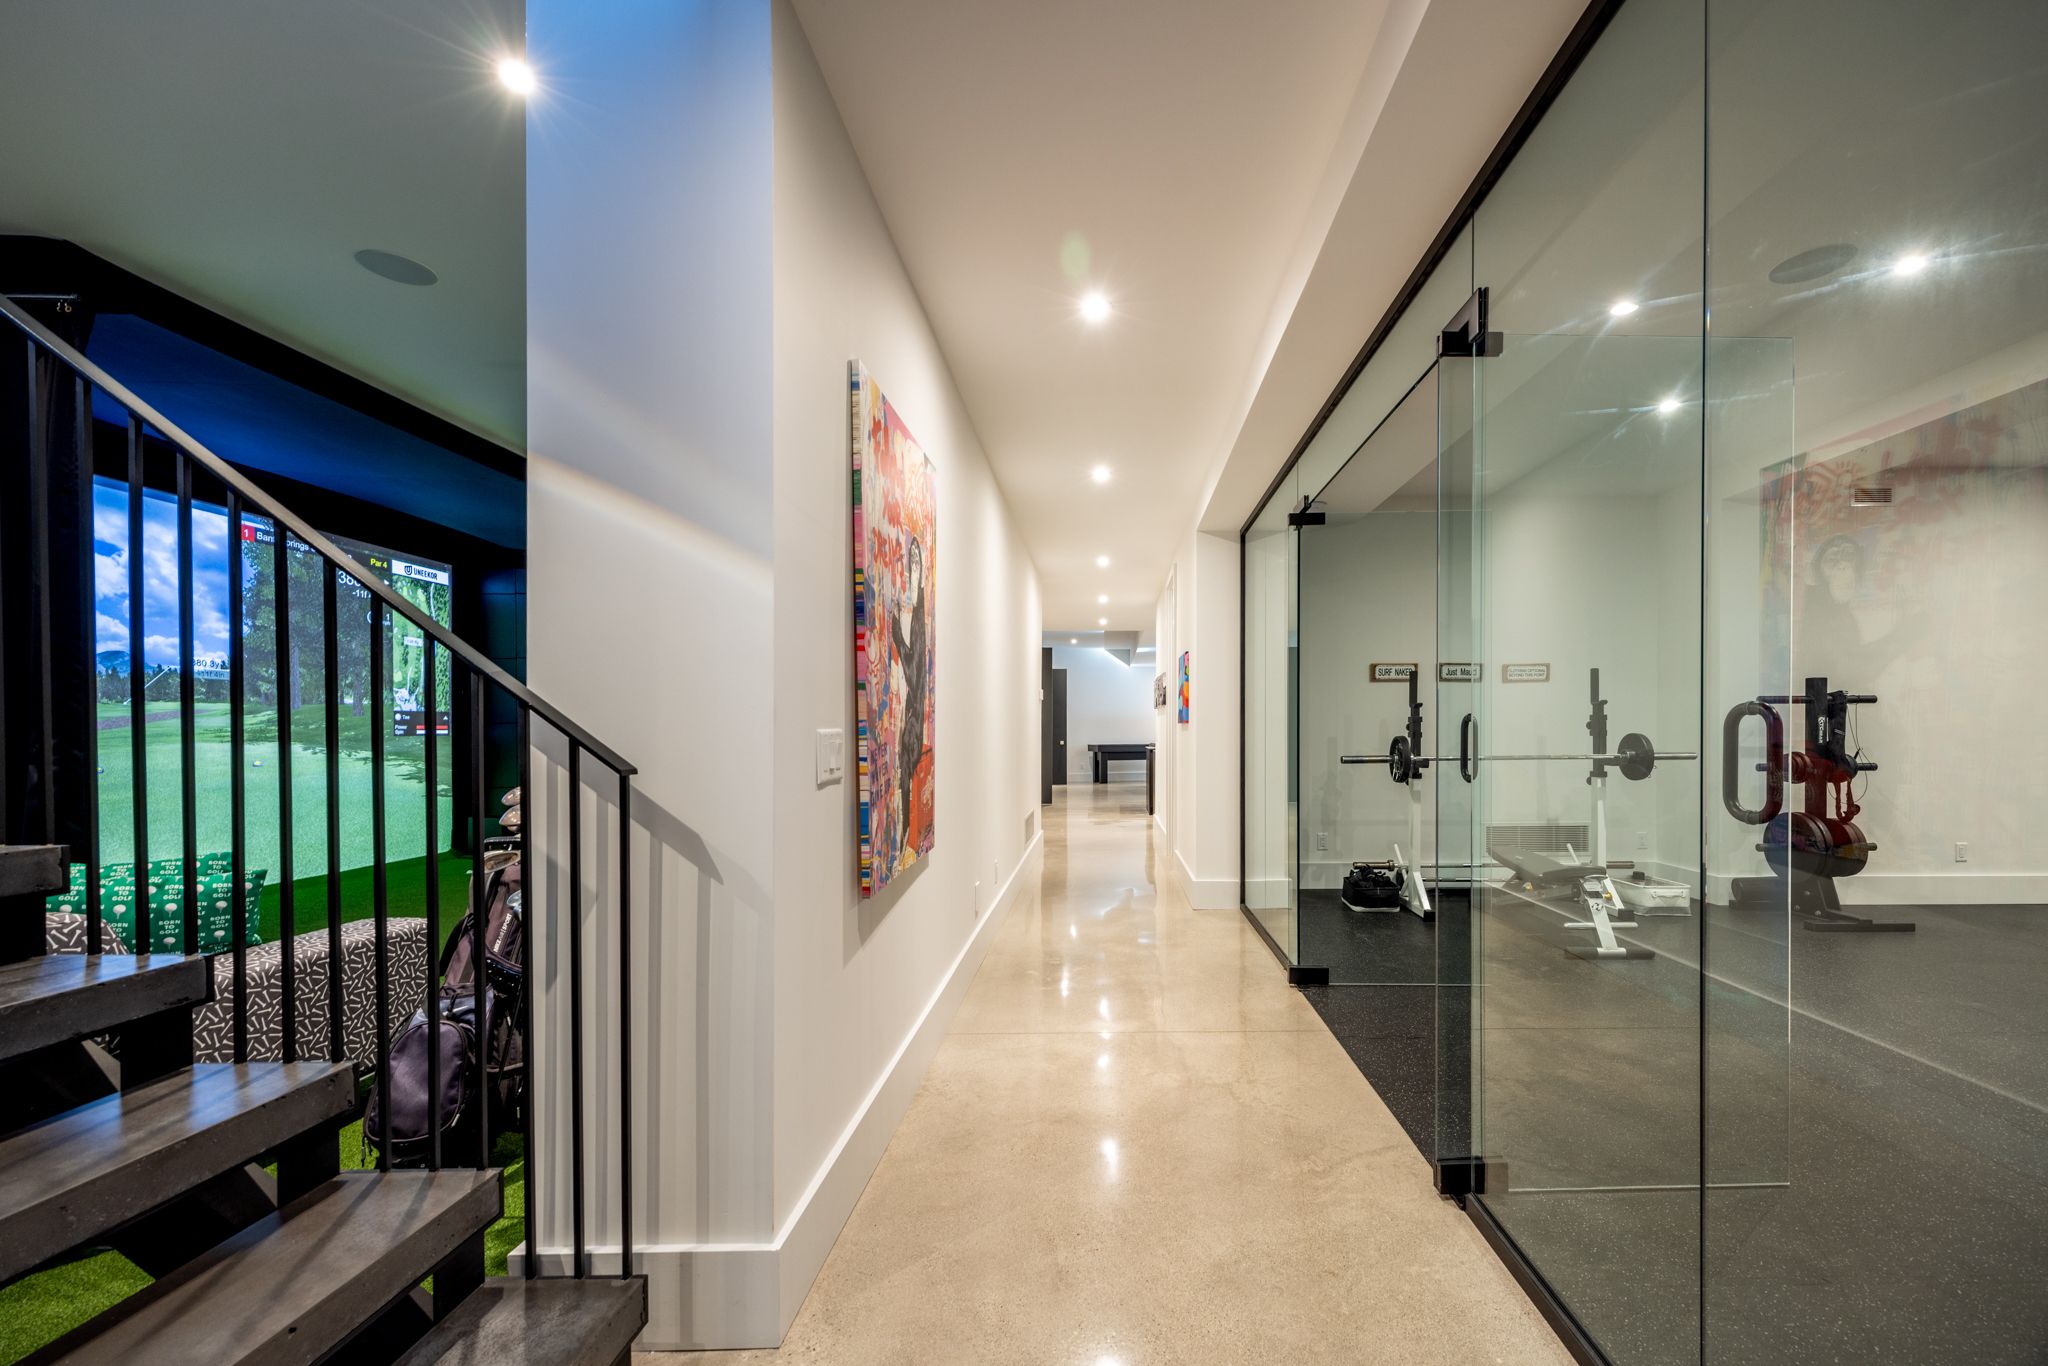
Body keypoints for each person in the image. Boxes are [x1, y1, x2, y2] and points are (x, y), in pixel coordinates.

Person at [889, 536, 929, 857]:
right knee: (905, 783)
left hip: (913, 727)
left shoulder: (918, 622)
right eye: (911, 562)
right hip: (911, 723)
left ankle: (904, 839)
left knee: (906, 782)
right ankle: (903, 840)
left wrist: (894, 630)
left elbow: (910, 659)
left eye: (917, 563)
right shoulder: (916, 616)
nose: (912, 569)